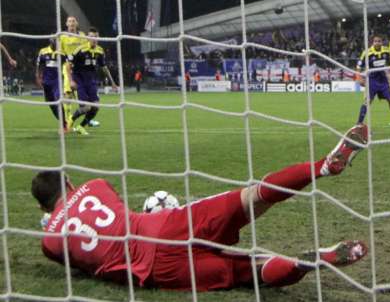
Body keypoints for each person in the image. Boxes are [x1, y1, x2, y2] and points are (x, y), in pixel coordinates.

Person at [33, 124, 369, 291]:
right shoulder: (95, 187)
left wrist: (53, 222)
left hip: (154, 274)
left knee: (248, 271)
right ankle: (323, 167)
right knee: (251, 197)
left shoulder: (49, 243)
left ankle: (301, 263)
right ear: (69, 184)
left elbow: (77, 263)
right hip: (165, 227)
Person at [69, 28, 117, 135]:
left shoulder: (100, 51)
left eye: (95, 37)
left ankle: (81, 127)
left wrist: (112, 83)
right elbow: (69, 64)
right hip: (79, 81)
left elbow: (104, 68)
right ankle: (71, 119)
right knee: (86, 108)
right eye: (91, 36)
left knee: (95, 107)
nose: (93, 39)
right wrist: (71, 81)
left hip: (91, 81)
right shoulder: (80, 50)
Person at [356, 35, 390, 127]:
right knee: (367, 101)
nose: (377, 43)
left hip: (383, 80)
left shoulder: (386, 50)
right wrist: (359, 79)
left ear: (382, 42)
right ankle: (359, 122)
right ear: (372, 43)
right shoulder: (367, 52)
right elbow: (358, 67)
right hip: (372, 80)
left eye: (379, 41)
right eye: (375, 41)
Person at [59, 16, 87, 129]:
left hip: (80, 68)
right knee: (67, 94)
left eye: (73, 21)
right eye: (69, 21)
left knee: (84, 96)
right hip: (68, 67)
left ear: (77, 23)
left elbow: (86, 49)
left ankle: (86, 119)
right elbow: (60, 52)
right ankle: (67, 119)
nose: (71, 23)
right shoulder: (62, 37)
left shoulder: (82, 36)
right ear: (66, 24)